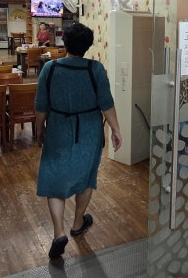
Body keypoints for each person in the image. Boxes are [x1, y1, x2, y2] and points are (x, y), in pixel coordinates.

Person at [34, 23, 122, 259]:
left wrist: (39, 129)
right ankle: (77, 223)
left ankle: (58, 233)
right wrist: (116, 129)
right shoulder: (96, 69)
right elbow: (106, 102)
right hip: (90, 130)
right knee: (86, 176)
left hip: (58, 128)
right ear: (88, 46)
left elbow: (41, 105)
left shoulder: (50, 68)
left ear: (65, 42)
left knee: (54, 178)